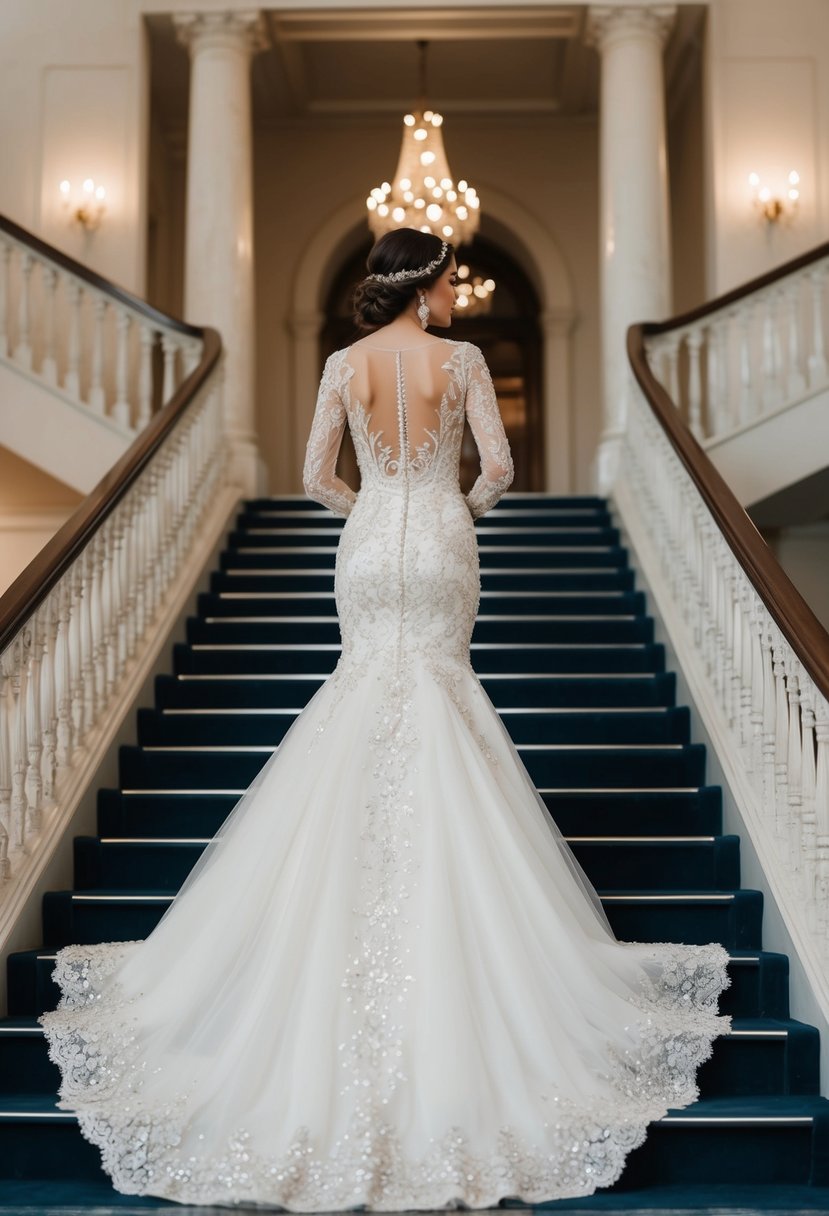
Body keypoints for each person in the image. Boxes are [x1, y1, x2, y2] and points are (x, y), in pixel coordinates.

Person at [39, 228, 731, 1211]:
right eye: (449, 280)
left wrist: (373, 507)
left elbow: (319, 477)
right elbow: (497, 469)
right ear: (429, 283)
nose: (455, 294)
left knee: (363, 700)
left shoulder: (342, 364)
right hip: (441, 543)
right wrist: (453, 503)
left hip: (369, 550)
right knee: (440, 702)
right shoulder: (461, 362)